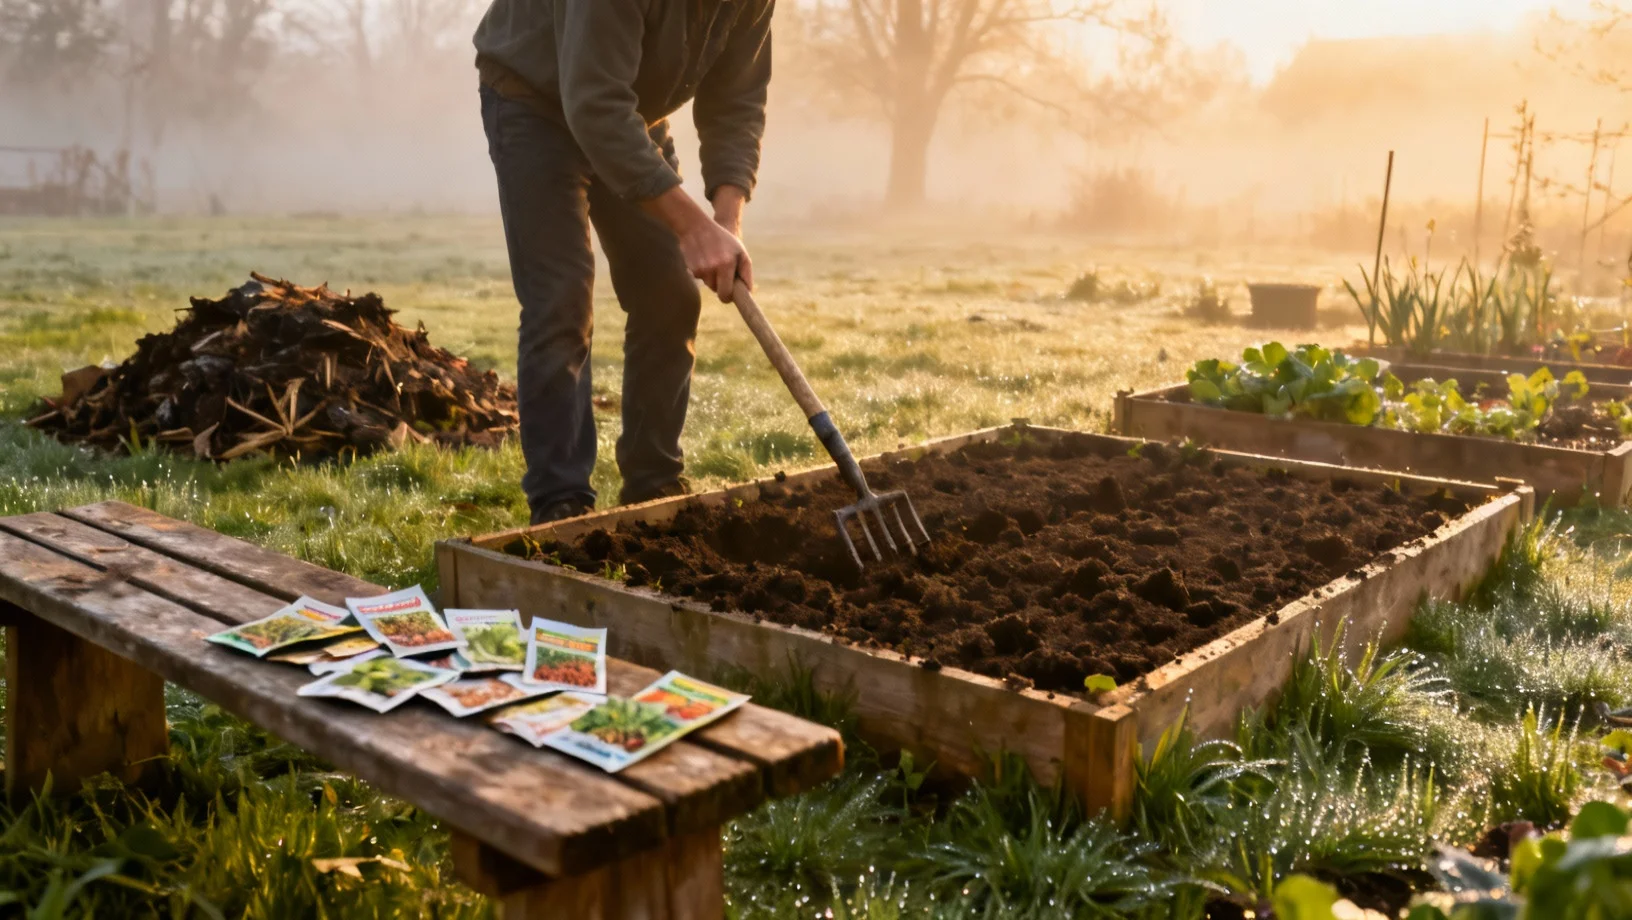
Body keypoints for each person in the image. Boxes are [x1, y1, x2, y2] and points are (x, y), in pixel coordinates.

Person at [473, 0, 773, 524]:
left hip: (629, 113)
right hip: (535, 102)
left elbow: (737, 101)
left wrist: (726, 222)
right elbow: (593, 105)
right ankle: (561, 506)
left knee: (670, 295)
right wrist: (692, 227)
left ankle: (653, 490)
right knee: (562, 301)